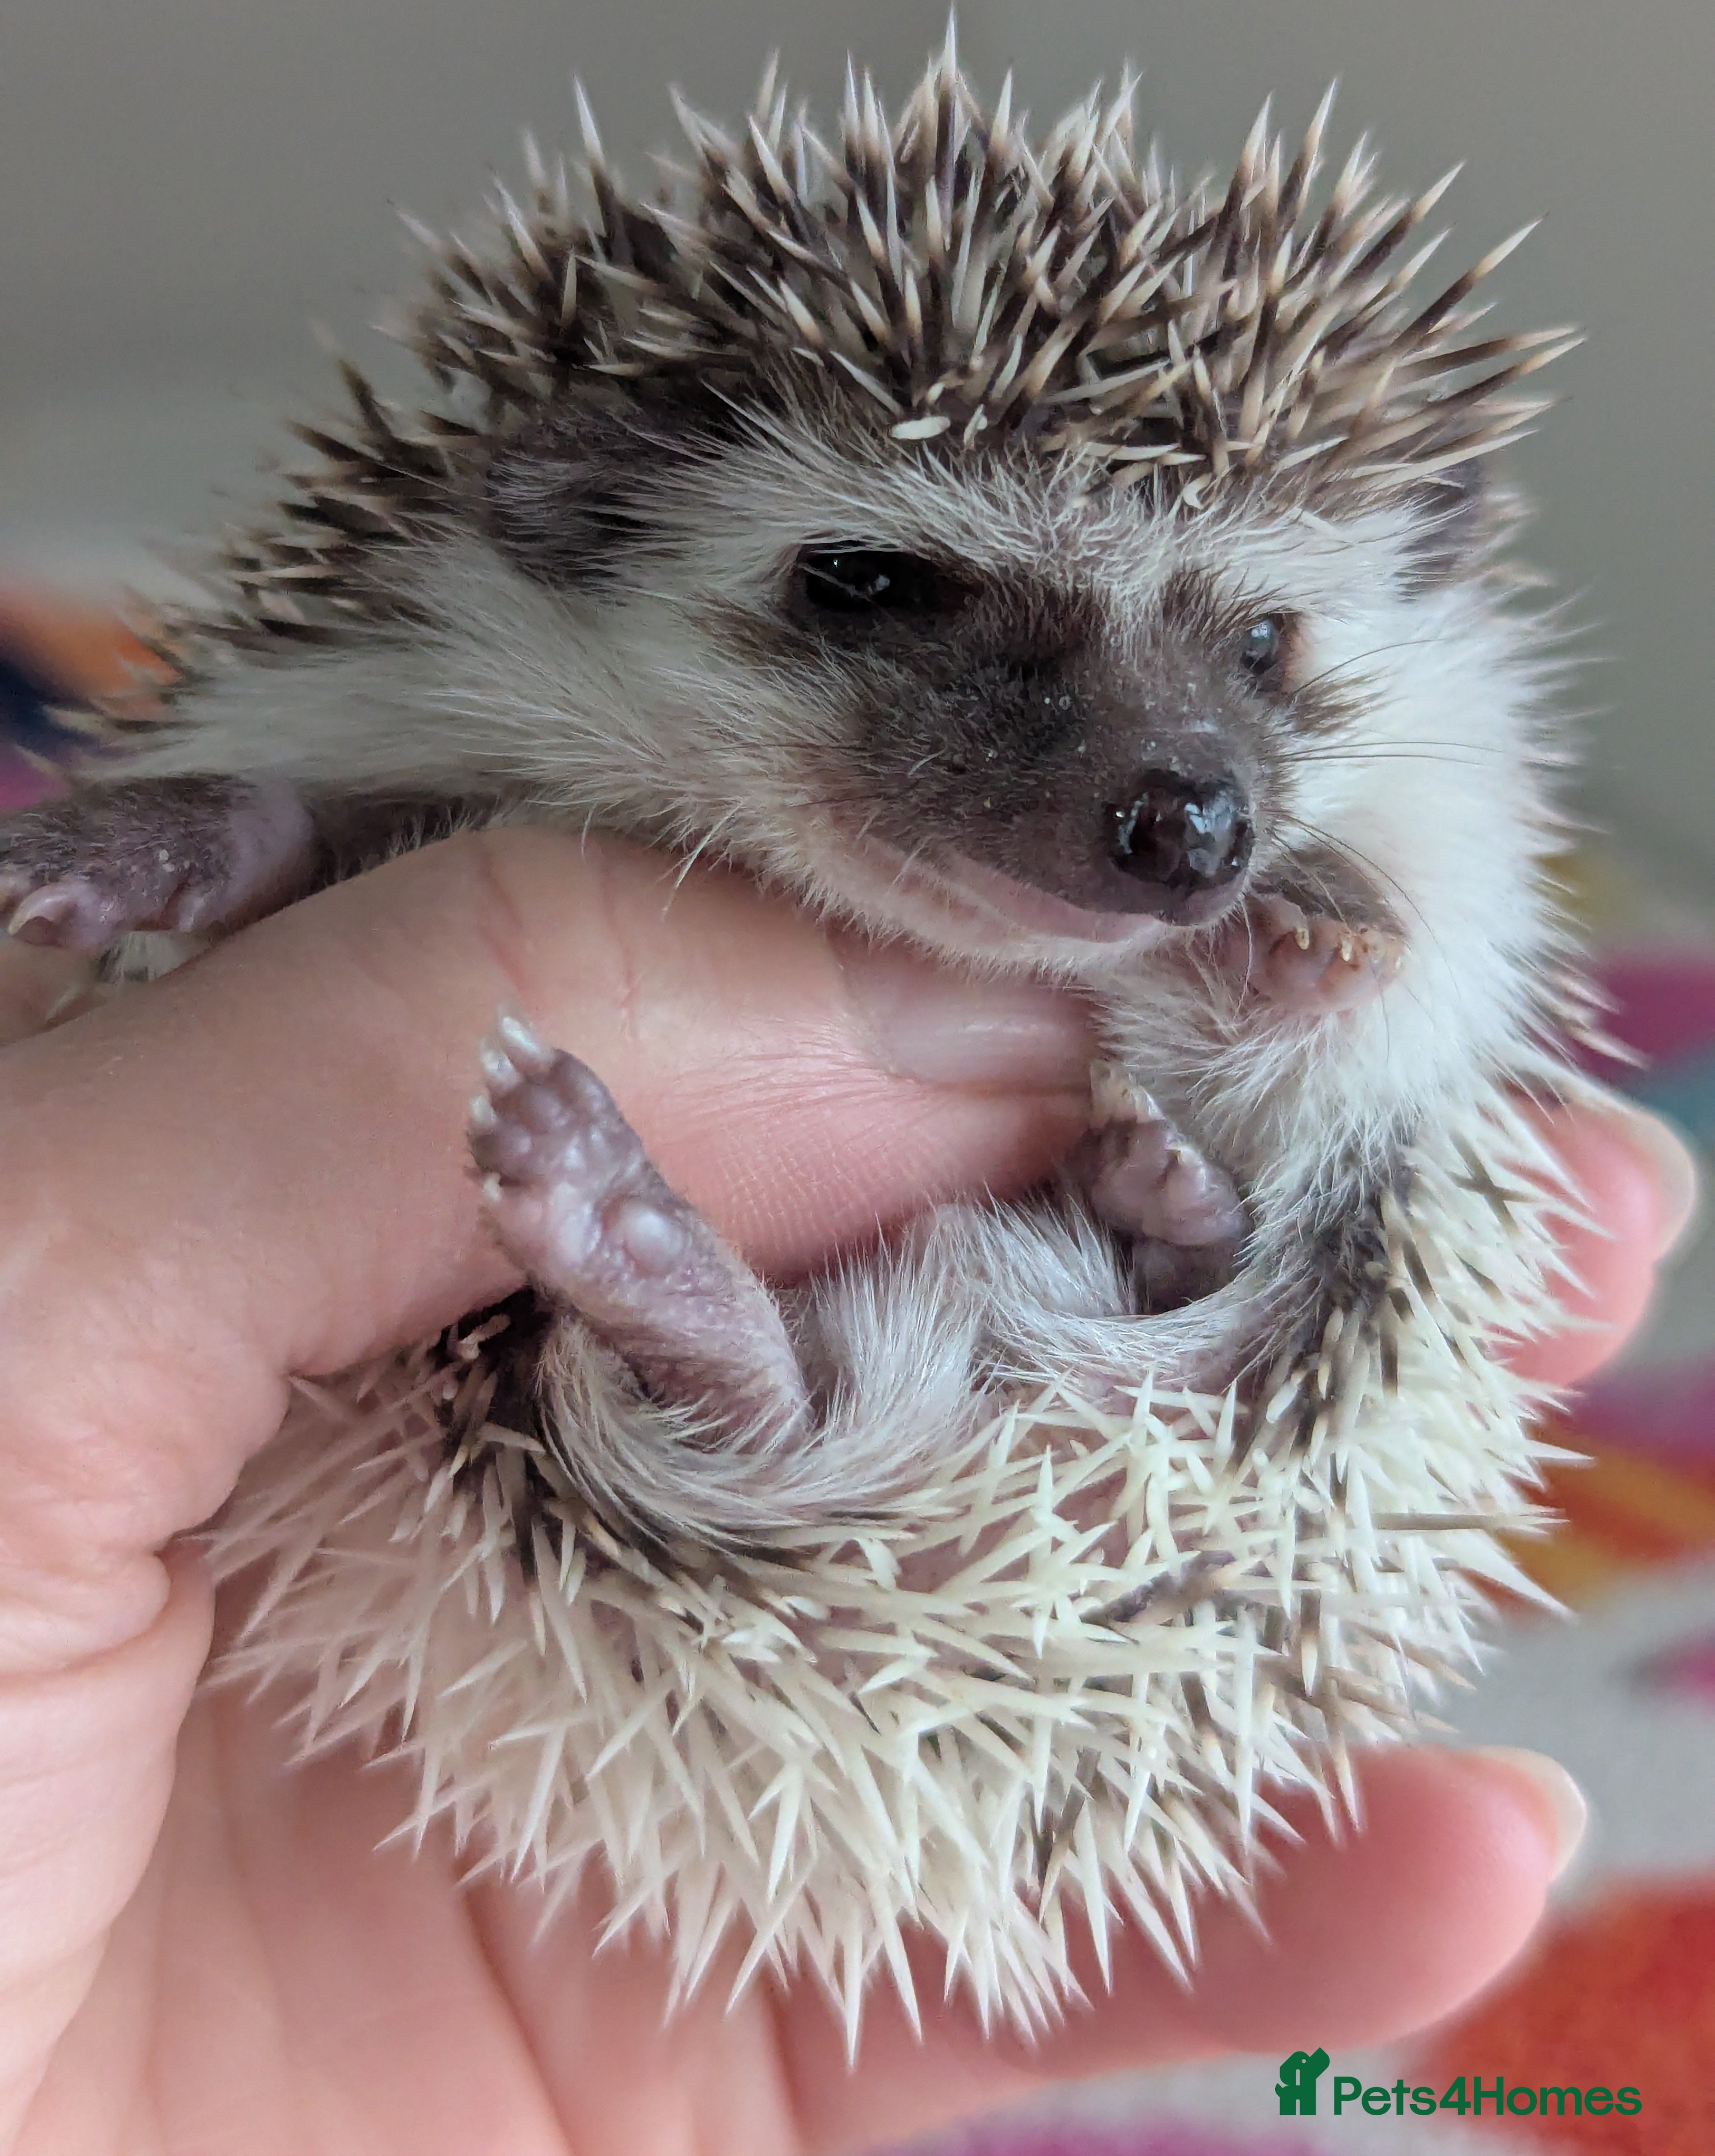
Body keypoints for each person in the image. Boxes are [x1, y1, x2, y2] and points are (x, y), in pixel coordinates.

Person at [0, 828, 1693, 2156]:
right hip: (955, 1413)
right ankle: (849, 1360)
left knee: (1092, 1394)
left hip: (1007, 1453)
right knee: (649, 1487)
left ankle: (768, 1369)